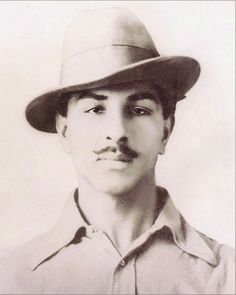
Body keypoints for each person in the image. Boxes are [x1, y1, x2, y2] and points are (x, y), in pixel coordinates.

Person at [0, 7, 234, 295]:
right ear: (65, 131)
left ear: (166, 130)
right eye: (95, 109)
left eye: (138, 110)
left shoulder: (226, 276)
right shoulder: (12, 279)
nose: (118, 132)